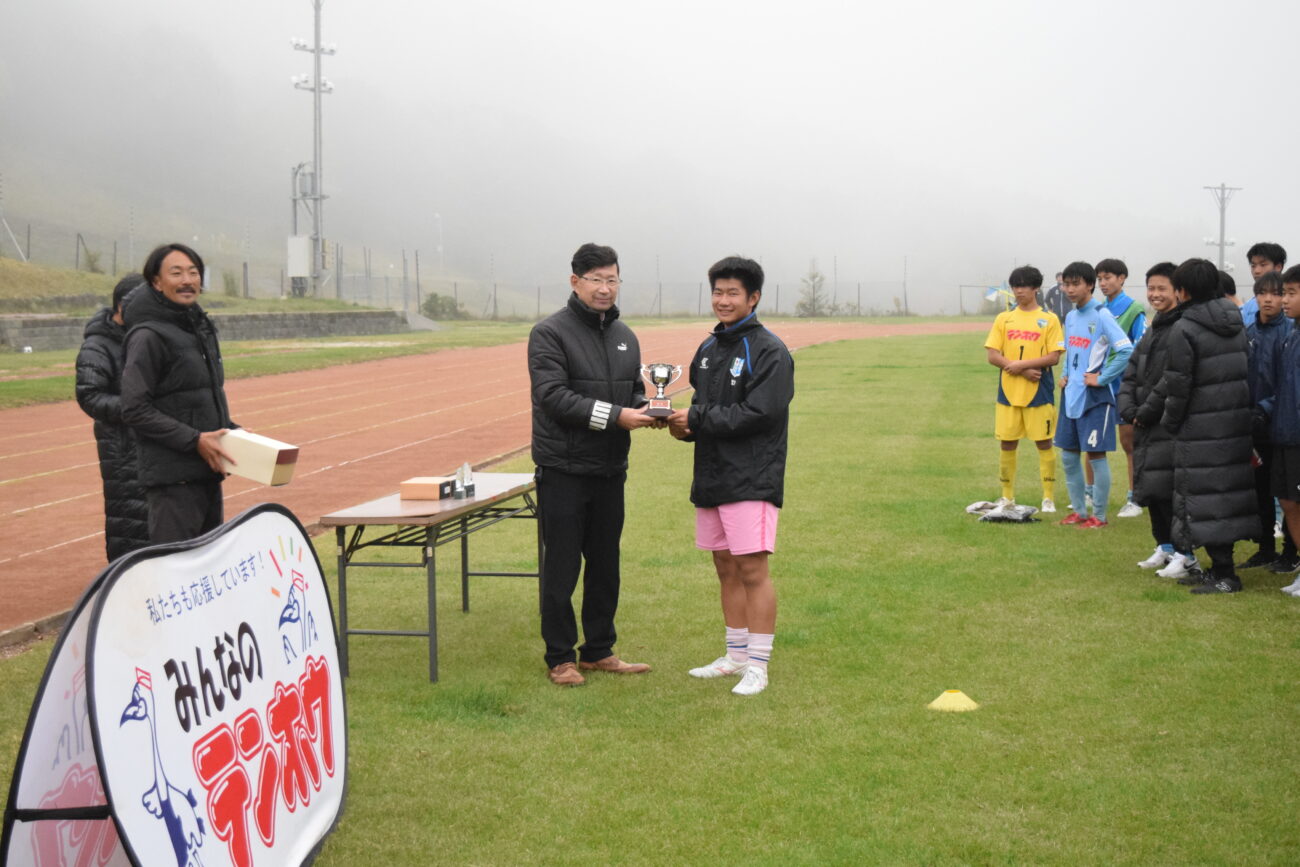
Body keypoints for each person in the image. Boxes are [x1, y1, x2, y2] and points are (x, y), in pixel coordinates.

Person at [528, 243, 657, 686]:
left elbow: (630, 392)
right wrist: (617, 417)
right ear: (575, 282)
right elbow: (553, 397)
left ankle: (598, 650)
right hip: (563, 469)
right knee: (562, 566)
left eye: (612, 279)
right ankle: (560, 656)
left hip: (610, 470)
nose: (605, 289)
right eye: (597, 280)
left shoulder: (625, 335)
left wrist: (650, 408)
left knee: (605, 564)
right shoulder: (549, 333)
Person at [668, 256, 794, 697]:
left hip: (752, 477)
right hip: (712, 475)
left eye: (733, 293)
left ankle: (758, 665)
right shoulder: (707, 350)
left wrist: (697, 418)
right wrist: (682, 426)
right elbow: (705, 410)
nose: (723, 300)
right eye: (718, 292)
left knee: (752, 568)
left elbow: (760, 414)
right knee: (724, 566)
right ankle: (735, 654)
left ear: (754, 297)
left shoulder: (769, 350)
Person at [121, 243, 236, 544]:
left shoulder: (198, 328)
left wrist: (232, 433)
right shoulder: (148, 336)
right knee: (175, 573)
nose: (187, 280)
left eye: (193, 272)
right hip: (173, 481)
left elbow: (194, 398)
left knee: (206, 571)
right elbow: (134, 408)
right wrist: (194, 440)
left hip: (206, 474)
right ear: (156, 283)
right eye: (176, 273)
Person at [1160, 258, 1256, 594]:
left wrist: (1170, 423)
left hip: (1200, 427)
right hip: (1235, 423)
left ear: (1183, 290)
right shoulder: (1236, 320)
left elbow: (1178, 385)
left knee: (1205, 498)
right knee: (1223, 495)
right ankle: (1219, 568)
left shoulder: (1184, 328)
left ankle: (1226, 575)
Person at [1118, 262, 1197, 577]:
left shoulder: (1183, 326)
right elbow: (1132, 369)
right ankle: (1164, 547)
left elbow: (1172, 377)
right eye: (1151, 288)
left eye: (1162, 288)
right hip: (1145, 422)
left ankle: (1185, 553)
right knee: (1150, 488)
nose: (1155, 294)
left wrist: (1146, 410)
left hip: (1166, 422)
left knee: (1170, 491)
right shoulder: (1156, 325)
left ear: (1178, 291)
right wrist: (1128, 405)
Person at [75, 273, 150, 560]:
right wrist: (136, 409)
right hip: (121, 448)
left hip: (153, 441)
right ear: (122, 306)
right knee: (129, 520)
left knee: (155, 520)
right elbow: (89, 395)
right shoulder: (98, 345)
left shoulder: (143, 338)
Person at [1055, 261, 1133, 528]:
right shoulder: (1071, 317)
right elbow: (1071, 352)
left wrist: (1102, 378)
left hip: (1095, 399)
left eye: (1076, 283)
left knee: (1096, 456)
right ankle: (1080, 511)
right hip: (1071, 395)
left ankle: (1099, 516)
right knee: (1068, 456)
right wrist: (1065, 374)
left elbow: (1125, 350)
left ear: (1089, 285)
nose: (1070, 289)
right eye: (1066, 283)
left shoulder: (1102, 315)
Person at [982, 265, 1063, 512]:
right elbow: (992, 355)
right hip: (1008, 391)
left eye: (1023, 286)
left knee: (1043, 442)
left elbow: (1053, 357)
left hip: (1039, 391)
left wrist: (1025, 366)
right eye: (1015, 286)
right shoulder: (1004, 319)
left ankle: (1048, 497)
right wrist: (1017, 368)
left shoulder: (1049, 320)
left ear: (1035, 288)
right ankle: (1007, 497)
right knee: (1007, 443)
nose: (1018, 291)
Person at [1240, 272, 1299, 571]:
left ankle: (1291, 553)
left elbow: (1286, 386)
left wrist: (1264, 409)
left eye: (1278, 293)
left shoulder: (1289, 332)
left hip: (1281, 425)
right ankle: (1265, 547)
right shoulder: (1249, 332)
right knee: (1261, 491)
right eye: (1262, 293)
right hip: (1256, 426)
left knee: (1289, 495)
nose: (1270, 299)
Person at [1258, 265, 1300, 595]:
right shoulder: (1291, 337)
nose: (1283, 300)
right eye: (1283, 292)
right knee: (1287, 502)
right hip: (1284, 435)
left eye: (1290, 293)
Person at [1096, 259, 1146, 518]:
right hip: (1100, 386)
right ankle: (1090, 494)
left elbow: (1139, 347)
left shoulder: (1134, 309)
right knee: (1093, 441)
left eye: (1108, 278)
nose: (1103, 284)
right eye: (1100, 279)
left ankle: (1135, 498)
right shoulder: (1100, 309)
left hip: (1125, 386)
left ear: (1122, 278)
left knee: (1130, 443)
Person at [1242, 241, 1288, 330]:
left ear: (1278, 267)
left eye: (1263, 265)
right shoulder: (1248, 306)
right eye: (1253, 266)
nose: (1256, 271)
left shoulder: (1291, 302)